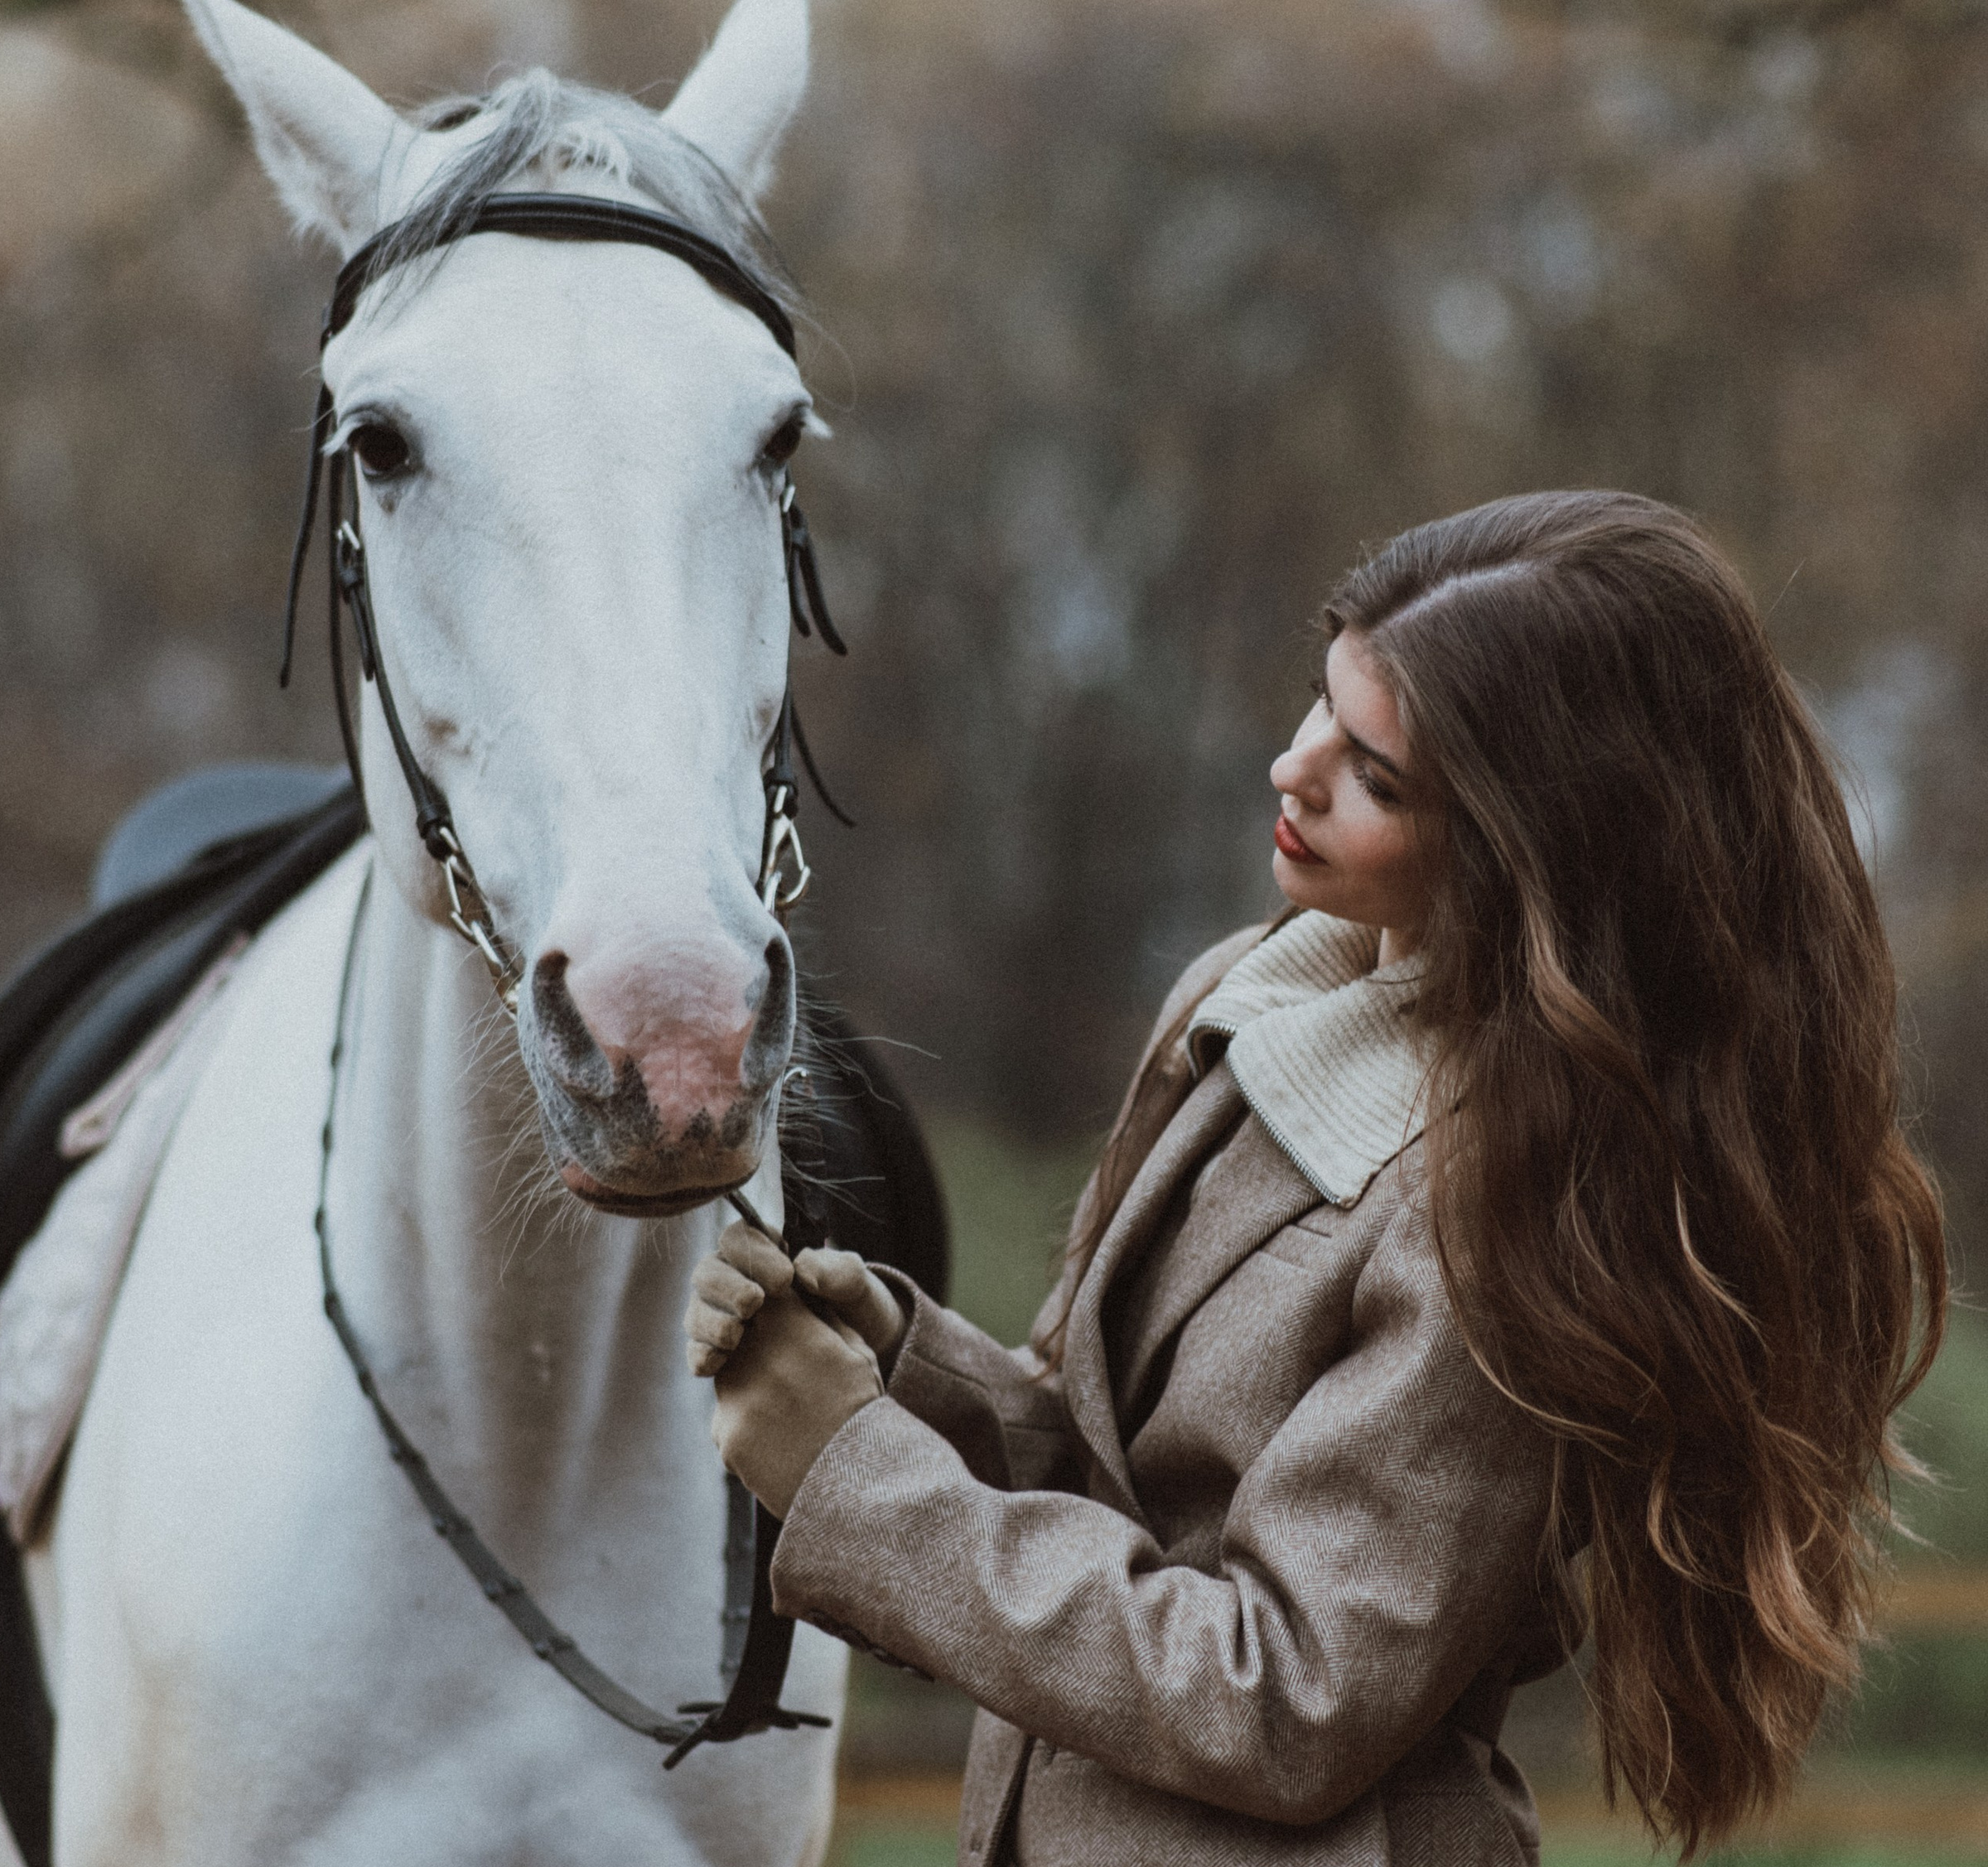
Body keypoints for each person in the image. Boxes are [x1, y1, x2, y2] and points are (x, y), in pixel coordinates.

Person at [684, 490, 1947, 1866]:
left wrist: (859, 1483)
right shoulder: (1245, 999)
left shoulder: (1513, 1208)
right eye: (1321, 706)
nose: (1294, 770)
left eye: (1379, 780)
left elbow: (1284, 1699)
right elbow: (1112, 1473)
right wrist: (902, 1373)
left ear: (1533, 843)